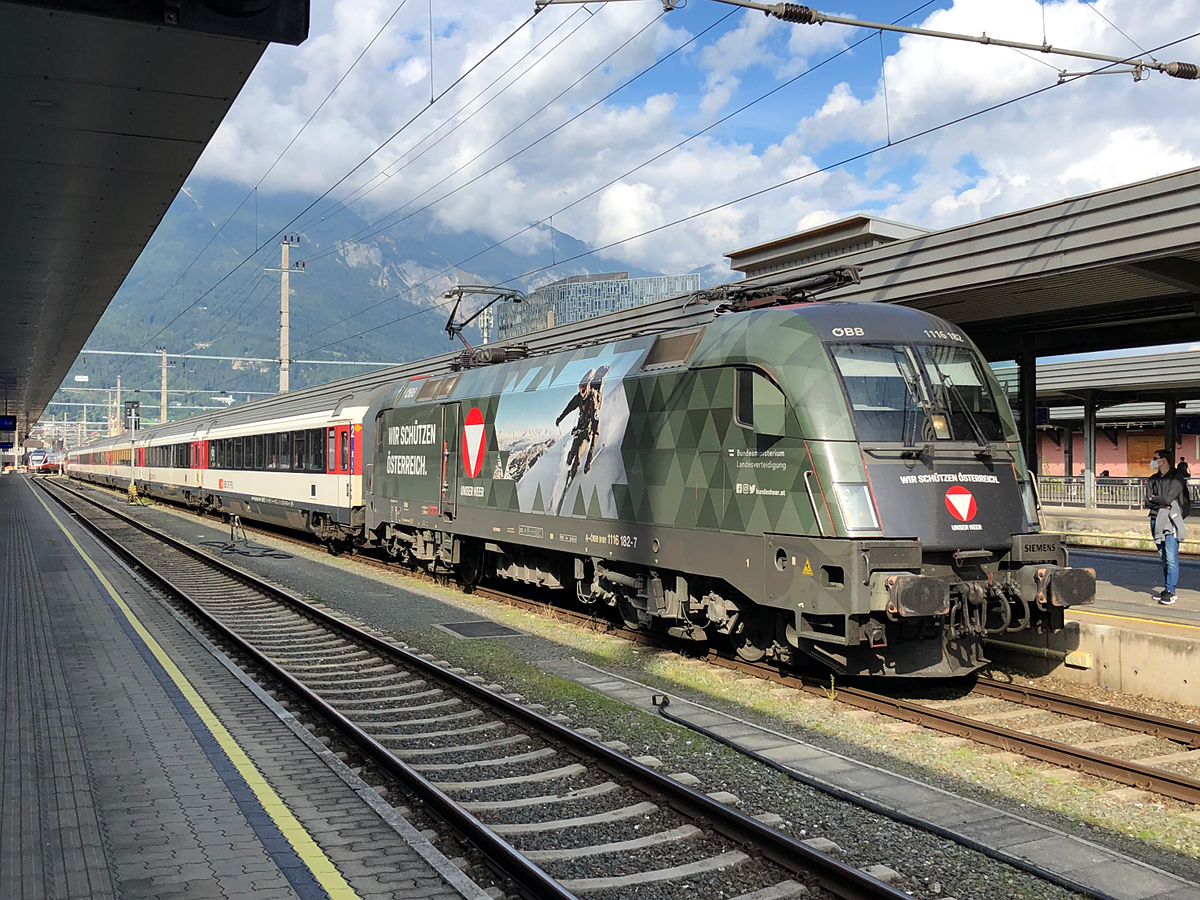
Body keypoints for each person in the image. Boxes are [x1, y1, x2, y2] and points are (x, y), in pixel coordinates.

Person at [1145, 449, 1188, 605]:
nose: (1152, 461)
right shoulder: (1153, 479)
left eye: (1155, 458)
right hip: (1156, 519)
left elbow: (1170, 498)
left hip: (1171, 521)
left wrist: (1155, 499)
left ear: (1163, 460)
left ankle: (1171, 591)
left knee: (1171, 557)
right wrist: (1161, 502)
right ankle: (1166, 588)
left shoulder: (1177, 478)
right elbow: (1147, 501)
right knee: (1163, 556)